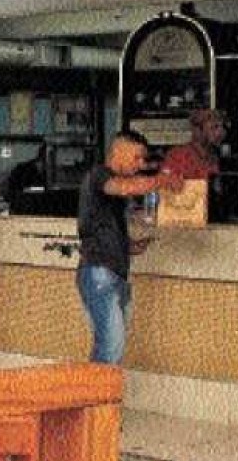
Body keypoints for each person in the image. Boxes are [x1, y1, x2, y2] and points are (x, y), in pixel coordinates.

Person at [76, 131, 182, 364]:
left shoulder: (110, 190)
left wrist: (129, 245)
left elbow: (102, 227)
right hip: (99, 272)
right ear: (118, 152)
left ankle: (100, 397)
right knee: (111, 346)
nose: (141, 164)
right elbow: (123, 187)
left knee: (112, 345)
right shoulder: (100, 175)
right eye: (137, 157)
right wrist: (161, 180)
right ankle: (97, 398)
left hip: (114, 272)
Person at [160, 108, 226, 181]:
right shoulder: (176, 156)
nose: (221, 133)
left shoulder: (214, 158)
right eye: (214, 127)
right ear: (197, 131)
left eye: (222, 127)